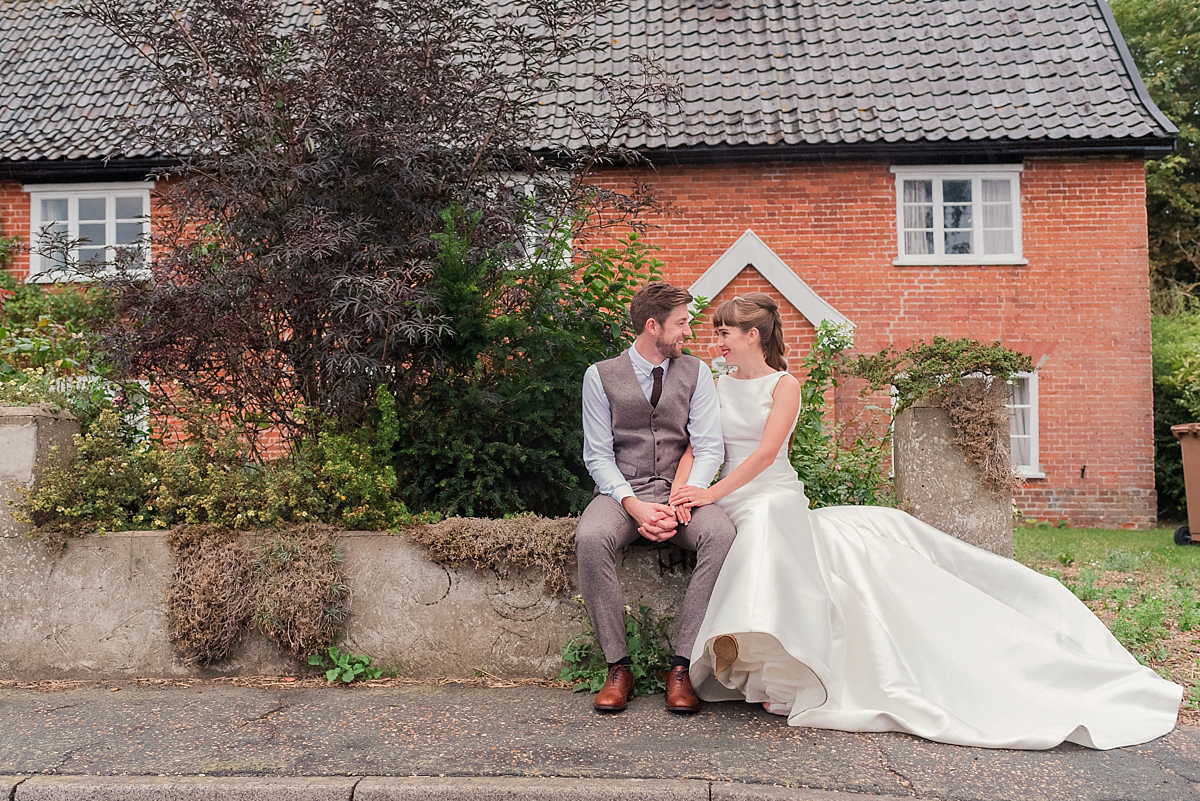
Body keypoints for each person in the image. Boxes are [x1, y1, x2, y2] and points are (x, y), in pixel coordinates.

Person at [668, 293, 1183, 750]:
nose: (716, 341)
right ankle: (764, 670)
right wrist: (682, 495)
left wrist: (709, 492)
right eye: (717, 332)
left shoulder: (785, 386)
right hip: (725, 490)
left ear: (751, 335)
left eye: (723, 332)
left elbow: (762, 457)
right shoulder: (714, 383)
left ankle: (786, 676)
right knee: (753, 528)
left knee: (766, 525)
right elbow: (701, 445)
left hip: (767, 491)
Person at [577, 282, 737, 714]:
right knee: (591, 538)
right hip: (621, 493)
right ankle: (618, 668)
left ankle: (682, 667)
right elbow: (597, 454)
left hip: (681, 490)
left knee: (721, 535)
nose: (688, 331)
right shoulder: (600, 376)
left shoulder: (697, 373)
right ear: (653, 326)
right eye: (681, 323)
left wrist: (681, 501)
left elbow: (708, 447)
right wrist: (634, 505)